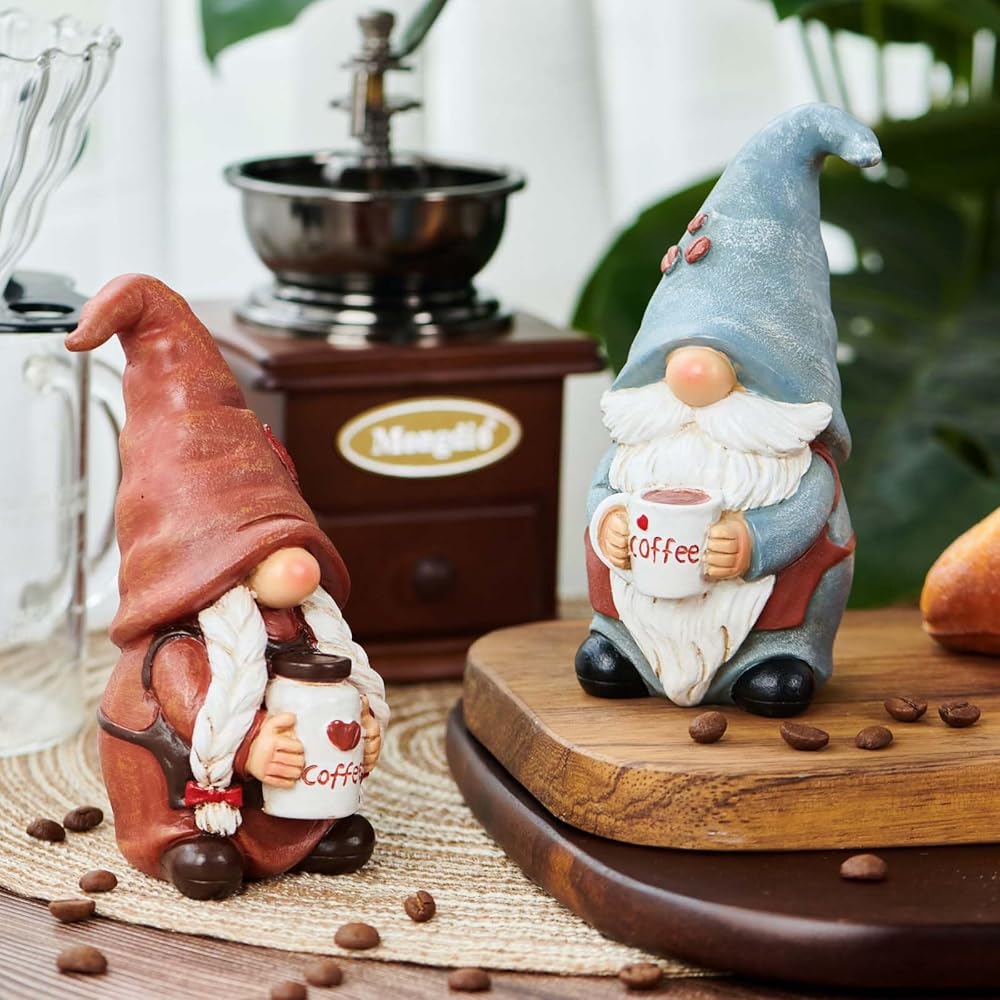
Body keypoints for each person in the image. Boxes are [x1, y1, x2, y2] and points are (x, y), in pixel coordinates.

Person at [66, 274, 389, 899]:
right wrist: (253, 745)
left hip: (279, 784)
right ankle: (183, 841)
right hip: (191, 792)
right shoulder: (181, 645)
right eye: (256, 550)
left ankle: (303, 827)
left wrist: (362, 725)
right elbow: (196, 707)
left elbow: (336, 681)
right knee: (202, 843)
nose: (298, 567)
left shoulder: (308, 621)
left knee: (339, 827)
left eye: (292, 538)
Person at [578, 104, 881, 717]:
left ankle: (774, 656)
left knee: (804, 585)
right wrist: (610, 518)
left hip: (765, 618)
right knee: (610, 591)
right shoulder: (643, 444)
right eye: (671, 361)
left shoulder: (794, 464)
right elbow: (606, 487)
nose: (693, 382)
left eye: (740, 372)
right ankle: (625, 645)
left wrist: (751, 540)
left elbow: (804, 517)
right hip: (643, 608)